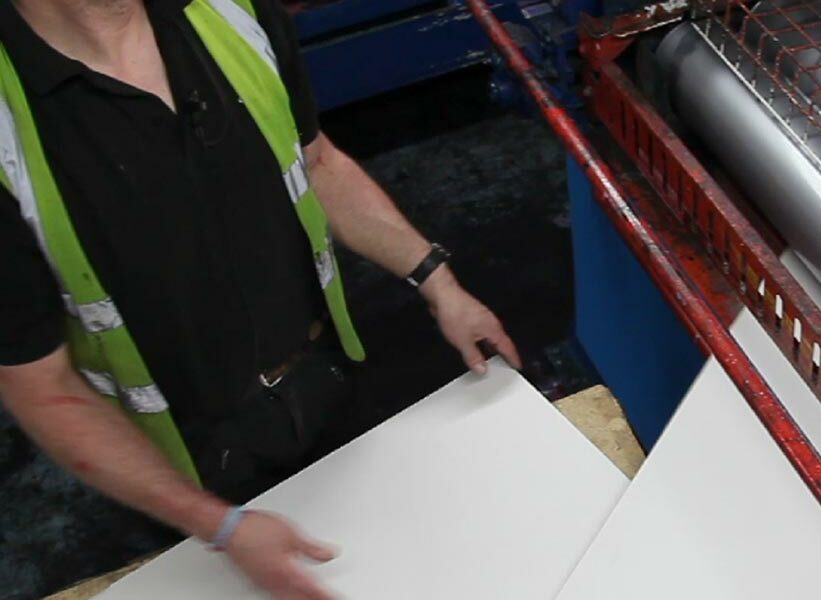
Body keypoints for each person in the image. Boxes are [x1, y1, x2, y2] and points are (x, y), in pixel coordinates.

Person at [0, 0, 521, 597]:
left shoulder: (232, 11)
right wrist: (218, 526)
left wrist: (437, 281)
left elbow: (317, 161)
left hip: (327, 382)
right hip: (183, 464)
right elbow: (40, 386)